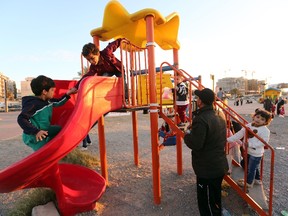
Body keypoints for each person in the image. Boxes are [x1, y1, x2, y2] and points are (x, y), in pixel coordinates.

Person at [183, 88, 229, 216]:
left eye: (198, 98)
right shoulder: (219, 115)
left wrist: (186, 133)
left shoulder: (201, 119)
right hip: (219, 164)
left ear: (201, 101)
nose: (197, 100)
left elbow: (195, 144)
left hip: (206, 168)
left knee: (204, 200)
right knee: (215, 198)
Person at [17, 75, 77, 151]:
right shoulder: (33, 104)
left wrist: (68, 94)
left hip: (45, 130)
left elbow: (58, 102)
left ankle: (49, 143)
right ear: (44, 92)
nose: (54, 92)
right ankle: (44, 151)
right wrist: (36, 132)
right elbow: (22, 118)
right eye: (52, 90)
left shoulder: (48, 101)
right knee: (44, 153)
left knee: (59, 130)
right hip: (34, 135)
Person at [227, 108, 272, 188]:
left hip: (256, 153)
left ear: (266, 122)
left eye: (262, 119)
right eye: (257, 117)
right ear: (254, 117)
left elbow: (263, 142)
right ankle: (257, 180)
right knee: (253, 166)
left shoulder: (265, 131)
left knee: (251, 168)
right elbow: (239, 134)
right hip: (248, 151)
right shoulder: (248, 126)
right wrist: (228, 140)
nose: (259, 120)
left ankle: (249, 182)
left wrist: (250, 144)